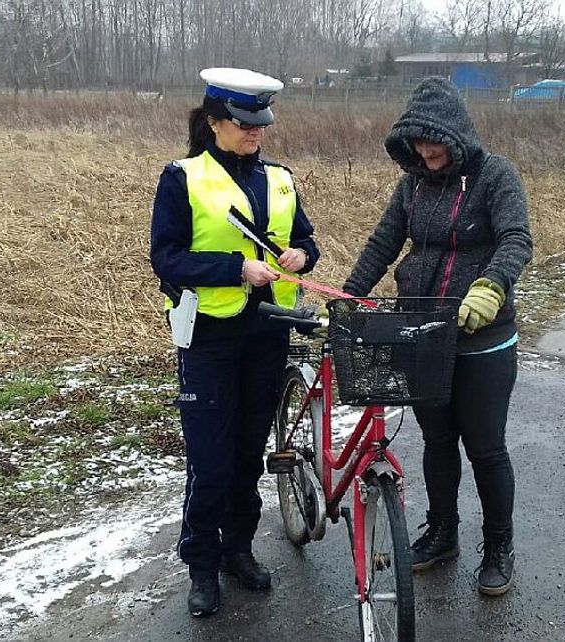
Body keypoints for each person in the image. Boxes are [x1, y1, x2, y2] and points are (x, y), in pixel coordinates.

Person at [342, 77, 532, 596]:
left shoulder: (495, 176)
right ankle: (442, 532)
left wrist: (492, 285)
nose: (426, 151)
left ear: (455, 134)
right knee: (438, 440)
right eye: (417, 142)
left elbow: (517, 238)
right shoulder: (412, 185)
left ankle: (498, 546)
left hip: (481, 337)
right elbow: (384, 241)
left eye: (435, 141)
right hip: (422, 334)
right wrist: (351, 295)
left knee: (486, 448)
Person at [149, 67, 320, 617]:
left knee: (249, 452)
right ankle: (201, 565)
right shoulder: (183, 177)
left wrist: (301, 257)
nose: (257, 134)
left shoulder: (281, 179)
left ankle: (237, 551)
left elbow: (304, 240)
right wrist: (233, 269)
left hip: (267, 333)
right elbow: (166, 257)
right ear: (216, 122)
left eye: (261, 125)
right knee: (210, 459)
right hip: (209, 339)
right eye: (245, 125)